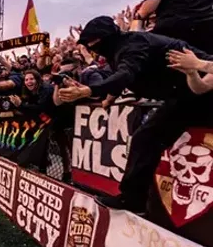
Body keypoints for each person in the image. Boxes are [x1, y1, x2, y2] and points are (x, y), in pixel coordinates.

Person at [57, 16, 213, 213]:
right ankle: (136, 200)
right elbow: (127, 75)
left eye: (93, 43)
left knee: (146, 138)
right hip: (188, 94)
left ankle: (133, 200)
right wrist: (110, 95)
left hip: (196, 95)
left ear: (105, 38)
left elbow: (126, 74)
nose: (91, 48)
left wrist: (89, 91)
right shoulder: (121, 49)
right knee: (145, 138)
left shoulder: (132, 45)